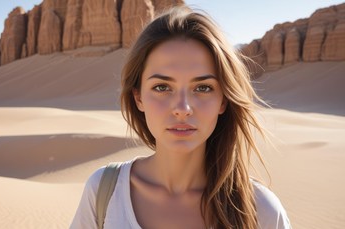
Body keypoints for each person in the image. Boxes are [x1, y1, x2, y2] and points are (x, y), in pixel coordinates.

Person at [70, 6, 291, 229]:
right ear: (138, 98)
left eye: (203, 88)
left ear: (223, 100)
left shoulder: (261, 211)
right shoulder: (104, 193)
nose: (183, 108)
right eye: (162, 87)